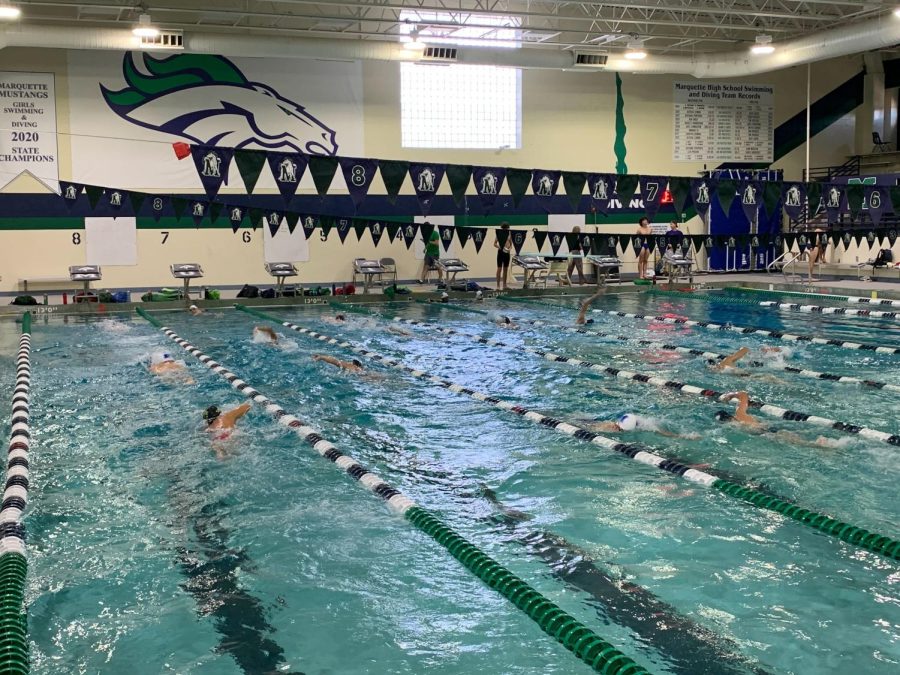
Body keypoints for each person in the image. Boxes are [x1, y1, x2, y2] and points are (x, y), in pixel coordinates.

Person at [715, 391, 842, 447]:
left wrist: (731, 395)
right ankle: (822, 442)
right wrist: (731, 395)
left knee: (801, 443)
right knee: (798, 437)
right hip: (768, 429)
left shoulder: (738, 419)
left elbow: (743, 395)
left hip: (769, 433)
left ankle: (823, 445)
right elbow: (743, 395)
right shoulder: (740, 414)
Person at [584, 413, 698, 439]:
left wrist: (685, 436)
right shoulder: (641, 422)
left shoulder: (646, 425)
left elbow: (663, 433)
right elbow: (663, 433)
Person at [494, 222, 513, 291]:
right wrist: (499, 247)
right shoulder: (499, 234)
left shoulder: (509, 234)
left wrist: (509, 249)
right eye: (505, 228)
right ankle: (498, 286)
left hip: (507, 253)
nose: (506, 229)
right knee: (499, 269)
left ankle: (504, 285)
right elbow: (494, 243)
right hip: (500, 252)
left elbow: (511, 244)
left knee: (505, 269)